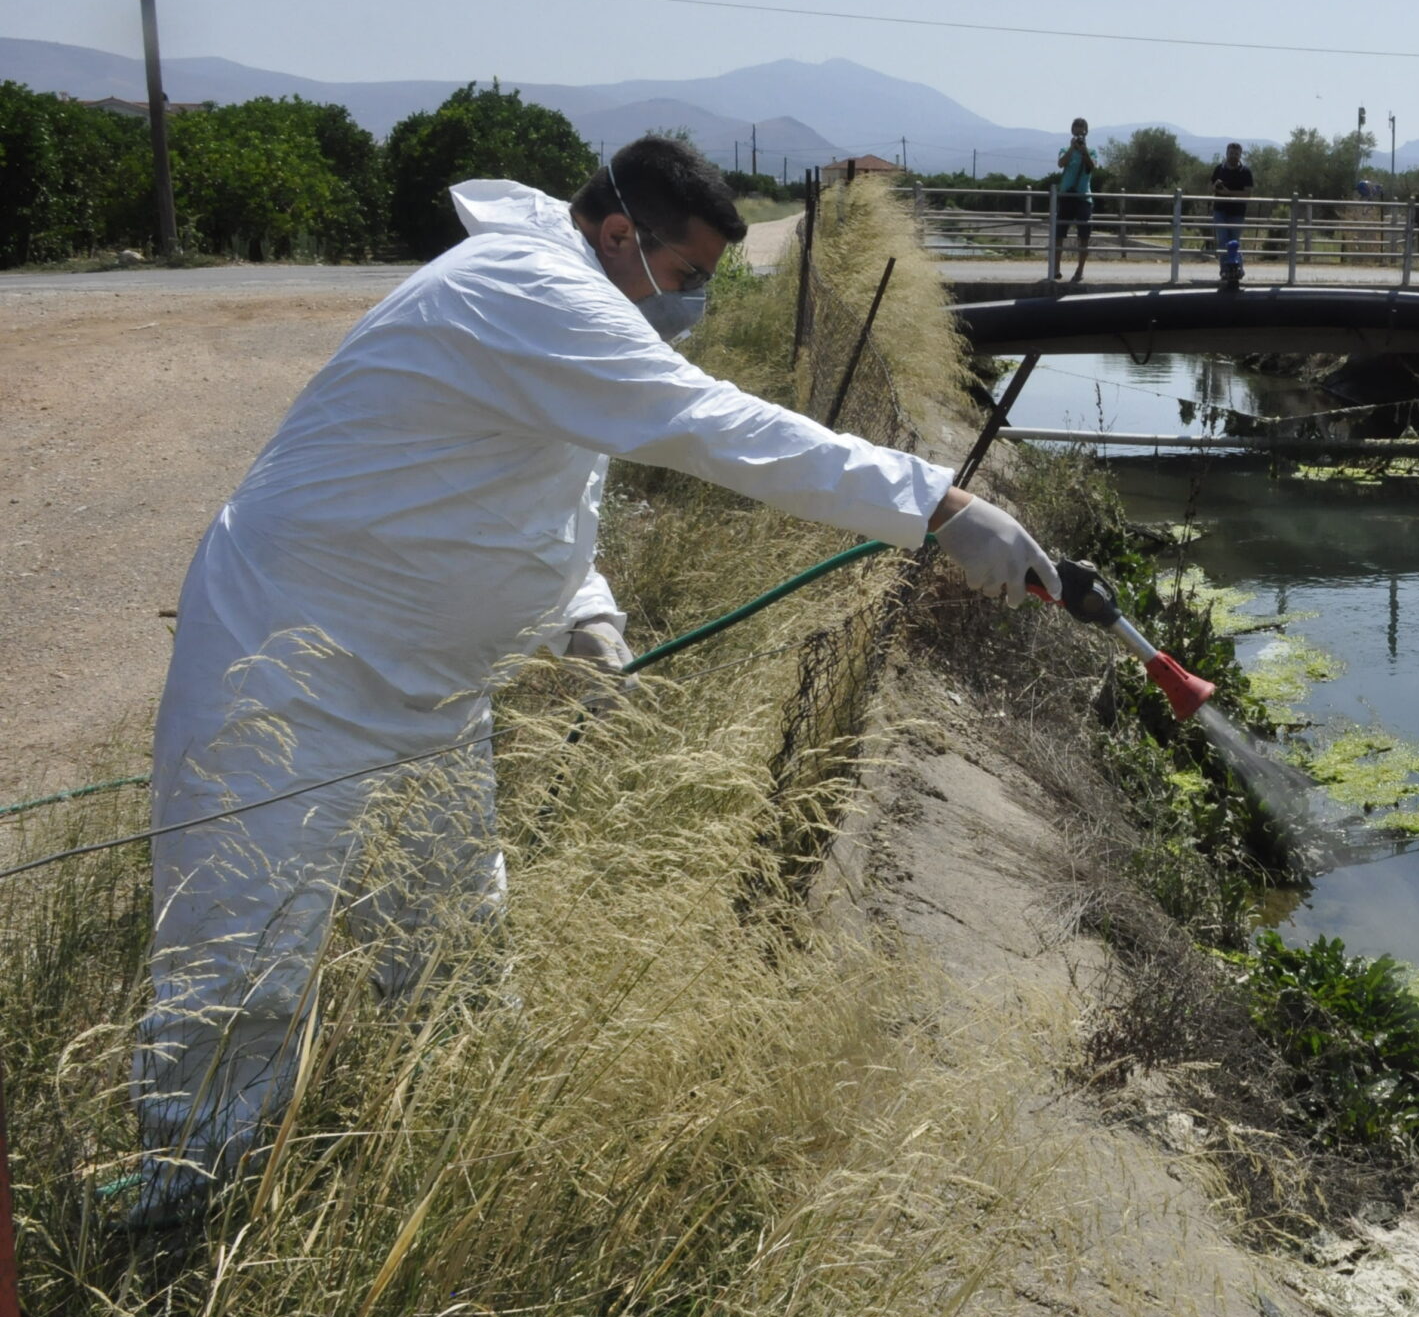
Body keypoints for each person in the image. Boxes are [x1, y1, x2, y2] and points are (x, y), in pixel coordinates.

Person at [131, 136, 1058, 1221]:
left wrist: (585, 611)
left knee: (449, 945)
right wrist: (937, 505)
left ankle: (418, 1173)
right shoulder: (522, 286)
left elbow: (530, 478)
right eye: (692, 277)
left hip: (429, 688)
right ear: (621, 234)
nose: (694, 305)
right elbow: (709, 424)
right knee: (243, 949)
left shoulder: (562, 303)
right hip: (290, 664)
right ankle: (191, 1209)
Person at [1054, 117, 1098, 282]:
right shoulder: (1065, 149)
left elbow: (1092, 166)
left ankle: (1080, 270)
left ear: (1086, 132)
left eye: (1082, 129)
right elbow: (1061, 163)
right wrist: (1072, 149)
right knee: (1060, 233)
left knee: (1084, 235)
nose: (1079, 131)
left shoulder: (1091, 151)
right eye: (1076, 128)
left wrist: (1084, 150)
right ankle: (1056, 268)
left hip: (1083, 197)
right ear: (1072, 131)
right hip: (1066, 195)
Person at [1208, 141, 1255, 289]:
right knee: (1223, 241)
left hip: (1237, 212)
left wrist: (1229, 193)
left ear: (1240, 155)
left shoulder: (1246, 172)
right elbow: (1210, 187)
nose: (1233, 156)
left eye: (1236, 154)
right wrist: (1215, 187)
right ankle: (1225, 271)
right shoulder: (1219, 169)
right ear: (1226, 154)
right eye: (1231, 153)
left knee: (1234, 242)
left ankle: (1238, 270)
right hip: (1220, 210)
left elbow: (1247, 193)